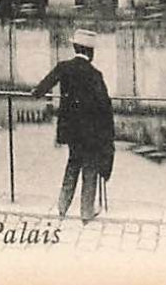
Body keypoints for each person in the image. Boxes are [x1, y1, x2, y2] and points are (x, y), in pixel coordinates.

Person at [31, 28, 115, 222]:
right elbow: (104, 105)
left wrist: (35, 92)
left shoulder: (63, 67)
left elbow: (42, 87)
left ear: (75, 48)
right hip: (91, 131)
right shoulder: (95, 74)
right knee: (90, 169)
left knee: (72, 164)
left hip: (71, 130)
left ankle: (62, 206)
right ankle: (86, 211)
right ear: (90, 52)